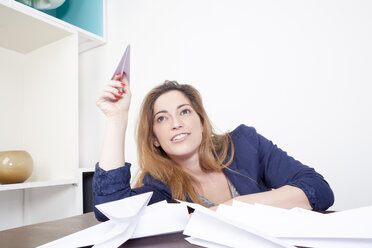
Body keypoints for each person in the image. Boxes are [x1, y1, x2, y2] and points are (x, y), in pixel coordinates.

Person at [93, 74, 334, 221]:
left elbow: (319, 190)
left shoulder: (245, 144)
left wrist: (226, 210)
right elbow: (111, 211)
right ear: (155, 138)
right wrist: (116, 117)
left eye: (184, 112)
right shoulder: (158, 184)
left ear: (200, 120)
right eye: (162, 118)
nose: (176, 124)